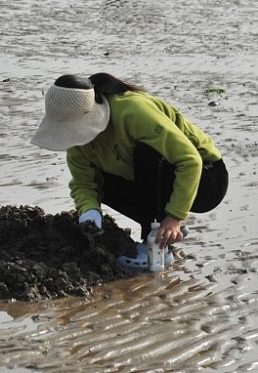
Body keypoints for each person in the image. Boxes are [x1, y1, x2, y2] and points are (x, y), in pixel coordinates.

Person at [30, 73, 228, 268]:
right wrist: (90, 210)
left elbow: (189, 160)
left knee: (147, 154)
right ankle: (163, 230)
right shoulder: (77, 143)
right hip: (157, 181)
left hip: (207, 178)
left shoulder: (132, 112)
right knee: (102, 184)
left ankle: (156, 246)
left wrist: (175, 217)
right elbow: (84, 183)